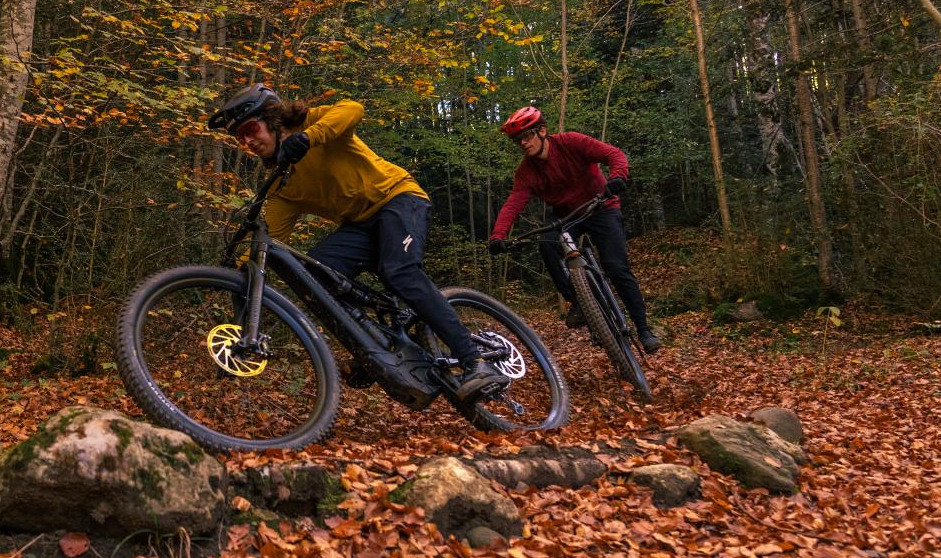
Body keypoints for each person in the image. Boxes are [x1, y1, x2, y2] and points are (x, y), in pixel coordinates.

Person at [209, 83, 507, 403]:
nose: (248, 141)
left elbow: (352, 108)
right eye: (240, 137)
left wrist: (308, 138)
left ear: (272, 118)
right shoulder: (284, 183)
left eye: (250, 129)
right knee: (314, 273)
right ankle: (375, 344)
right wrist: (239, 272)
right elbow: (272, 242)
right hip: (360, 225)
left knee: (400, 272)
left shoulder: (311, 123)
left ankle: (474, 361)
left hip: (397, 199)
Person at [487, 106, 662, 353]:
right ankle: (578, 301)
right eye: (518, 140)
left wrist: (617, 177)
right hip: (567, 217)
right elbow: (514, 202)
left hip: (601, 207)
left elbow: (614, 154)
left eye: (527, 136)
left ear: (543, 131)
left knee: (617, 268)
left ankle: (644, 329)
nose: (523, 143)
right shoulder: (526, 172)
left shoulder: (572, 142)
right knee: (547, 245)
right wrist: (498, 235)